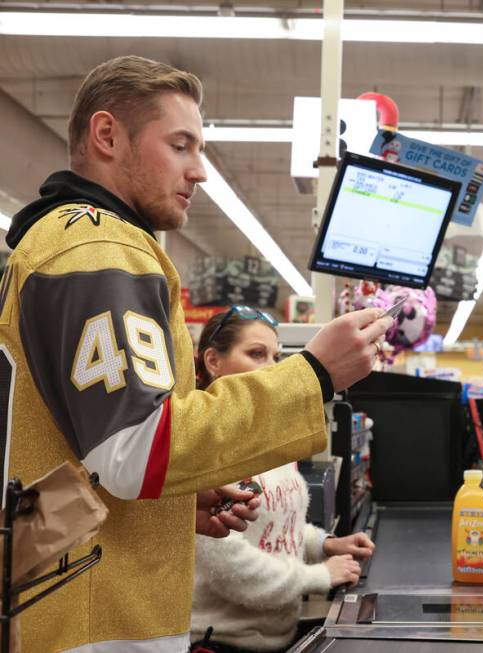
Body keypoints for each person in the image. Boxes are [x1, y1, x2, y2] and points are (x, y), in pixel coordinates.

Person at [0, 55, 393, 652]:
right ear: (107, 135)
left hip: (79, 602)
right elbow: (138, 448)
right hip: (97, 624)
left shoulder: (67, 244)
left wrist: (174, 507)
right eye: (181, 146)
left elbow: (86, 455)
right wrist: (311, 375)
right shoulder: (100, 247)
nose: (201, 170)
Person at [190, 308, 375, 652]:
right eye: (256, 354)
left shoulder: (269, 441)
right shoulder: (206, 448)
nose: (272, 368)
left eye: (276, 357)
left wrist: (324, 544)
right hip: (222, 642)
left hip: (279, 638)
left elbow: (278, 526)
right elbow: (231, 567)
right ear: (213, 361)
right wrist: (320, 576)